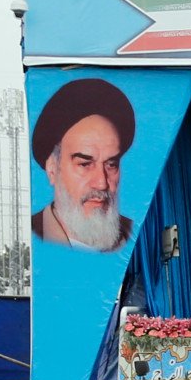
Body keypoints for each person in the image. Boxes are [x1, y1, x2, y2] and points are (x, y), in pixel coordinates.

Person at [30, 78, 136, 252]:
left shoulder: (137, 237)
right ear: (52, 168)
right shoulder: (28, 239)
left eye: (111, 164)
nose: (101, 183)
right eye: (85, 164)